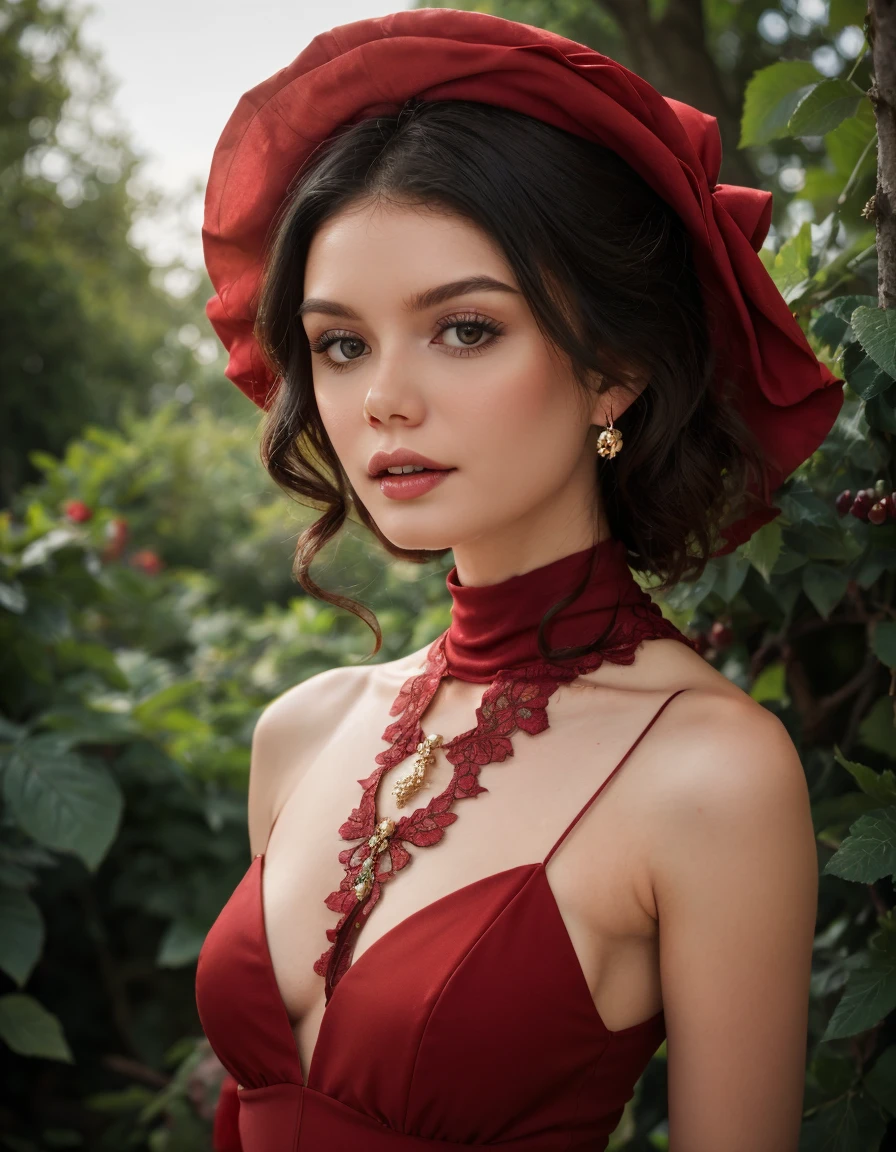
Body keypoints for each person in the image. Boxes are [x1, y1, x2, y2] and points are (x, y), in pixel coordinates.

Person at [195, 9, 842, 1151]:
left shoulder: (711, 773)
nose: (383, 398)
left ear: (614, 370)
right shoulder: (300, 731)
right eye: (340, 344)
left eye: (462, 329)